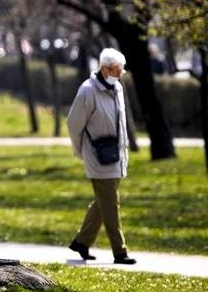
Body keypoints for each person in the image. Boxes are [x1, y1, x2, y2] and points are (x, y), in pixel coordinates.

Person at [65, 47, 137, 265]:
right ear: (106, 69)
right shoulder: (87, 91)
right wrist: (80, 151)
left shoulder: (117, 88)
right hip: (96, 154)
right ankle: (120, 251)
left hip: (115, 154)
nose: (121, 73)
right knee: (111, 203)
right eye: (118, 69)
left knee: (103, 201)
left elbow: (121, 125)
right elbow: (73, 123)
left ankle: (81, 242)